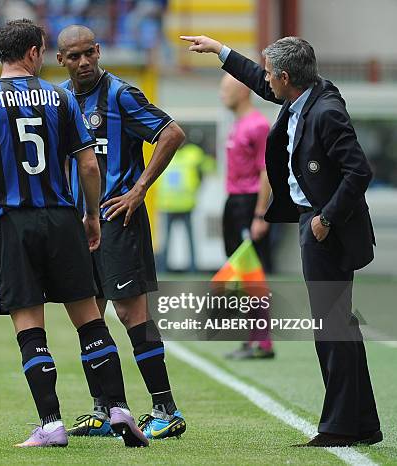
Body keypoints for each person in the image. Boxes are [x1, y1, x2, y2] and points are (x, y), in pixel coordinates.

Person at [0, 19, 148, 449]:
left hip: (13, 223)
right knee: (90, 319)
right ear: (35, 53)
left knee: (29, 327)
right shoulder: (61, 98)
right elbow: (89, 164)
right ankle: (118, 409)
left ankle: (51, 424)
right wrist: (92, 216)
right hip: (62, 218)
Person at [181, 34, 382, 447]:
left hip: (327, 230)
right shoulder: (303, 95)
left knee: (331, 328)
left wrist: (324, 218)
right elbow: (257, 77)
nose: (265, 81)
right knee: (338, 325)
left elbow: (359, 172)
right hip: (317, 224)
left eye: (272, 74)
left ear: (287, 77)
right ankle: (362, 424)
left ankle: (340, 427)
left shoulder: (325, 111)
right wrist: (220, 51)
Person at [57, 24, 187, 440]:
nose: (82, 63)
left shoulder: (121, 95)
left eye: (88, 54)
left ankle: (166, 408)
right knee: (88, 317)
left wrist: (139, 189)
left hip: (118, 219)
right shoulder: (57, 99)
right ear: (60, 60)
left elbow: (172, 133)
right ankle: (105, 409)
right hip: (77, 224)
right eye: (73, 57)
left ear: (98, 51)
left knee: (133, 313)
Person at [219, 73, 275, 360]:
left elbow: (266, 171)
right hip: (234, 203)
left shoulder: (258, 125)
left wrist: (260, 214)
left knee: (253, 274)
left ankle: (263, 343)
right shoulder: (238, 124)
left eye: (226, 89)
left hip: (250, 204)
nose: (221, 94)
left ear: (242, 91)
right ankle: (251, 337)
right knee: (239, 273)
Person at [156, 140, 214, 273]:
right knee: (167, 241)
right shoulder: (166, 153)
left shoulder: (192, 154)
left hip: (185, 204)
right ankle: (163, 270)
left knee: (189, 240)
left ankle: (192, 269)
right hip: (168, 205)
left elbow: (208, 165)